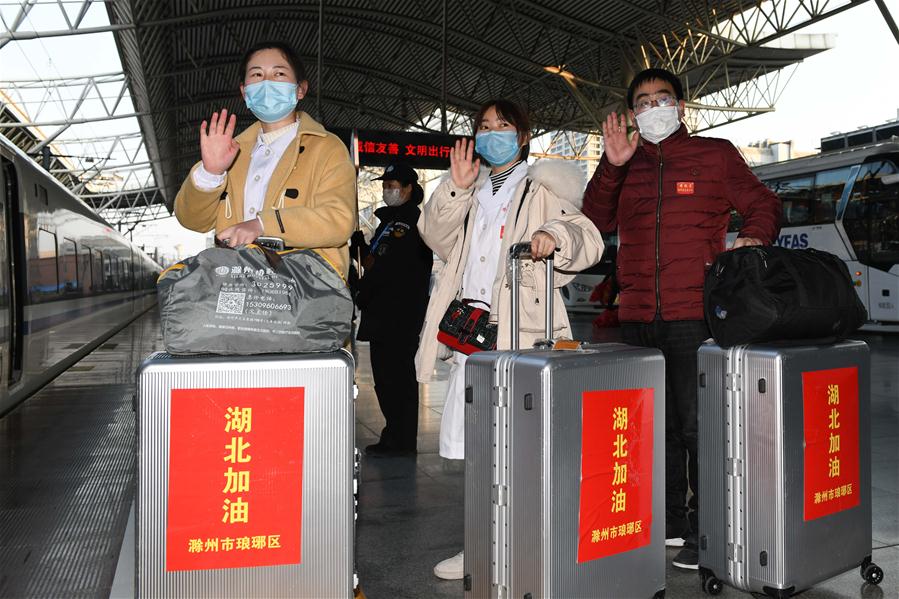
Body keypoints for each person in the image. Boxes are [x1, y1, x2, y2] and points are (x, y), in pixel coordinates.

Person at [581, 67, 781, 570]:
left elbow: (763, 202)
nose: (653, 108)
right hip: (636, 317)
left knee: (698, 429)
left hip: (695, 313)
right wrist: (612, 166)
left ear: (682, 107)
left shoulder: (715, 155)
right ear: (632, 114)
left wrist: (753, 236)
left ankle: (706, 526)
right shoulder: (622, 164)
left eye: (662, 98)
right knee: (653, 429)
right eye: (642, 102)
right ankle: (668, 520)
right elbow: (595, 220)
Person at [416, 99, 604, 580]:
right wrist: (454, 190)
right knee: (478, 449)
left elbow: (588, 238)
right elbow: (435, 236)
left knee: (524, 447)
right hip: (471, 335)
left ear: (522, 136)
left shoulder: (542, 186)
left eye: (503, 126)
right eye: (484, 126)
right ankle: (481, 543)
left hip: (522, 332)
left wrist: (553, 234)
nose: (492, 133)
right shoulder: (469, 188)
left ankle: (530, 541)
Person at [174, 40, 356, 277]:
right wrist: (211, 172)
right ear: (244, 92)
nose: (267, 82)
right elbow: (191, 220)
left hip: (305, 296)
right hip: (239, 289)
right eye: (257, 74)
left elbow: (339, 221)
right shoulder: (231, 153)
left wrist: (262, 225)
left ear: (300, 89)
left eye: (279, 73)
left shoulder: (327, 147)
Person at [353, 163, 433, 456]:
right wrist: (360, 248)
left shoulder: (413, 222)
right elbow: (375, 260)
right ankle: (392, 435)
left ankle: (402, 440)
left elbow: (393, 268)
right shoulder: (388, 222)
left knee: (398, 378)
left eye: (394, 184)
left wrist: (366, 287)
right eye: (385, 185)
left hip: (400, 313)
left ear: (410, 188)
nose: (388, 190)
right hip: (381, 312)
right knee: (384, 379)